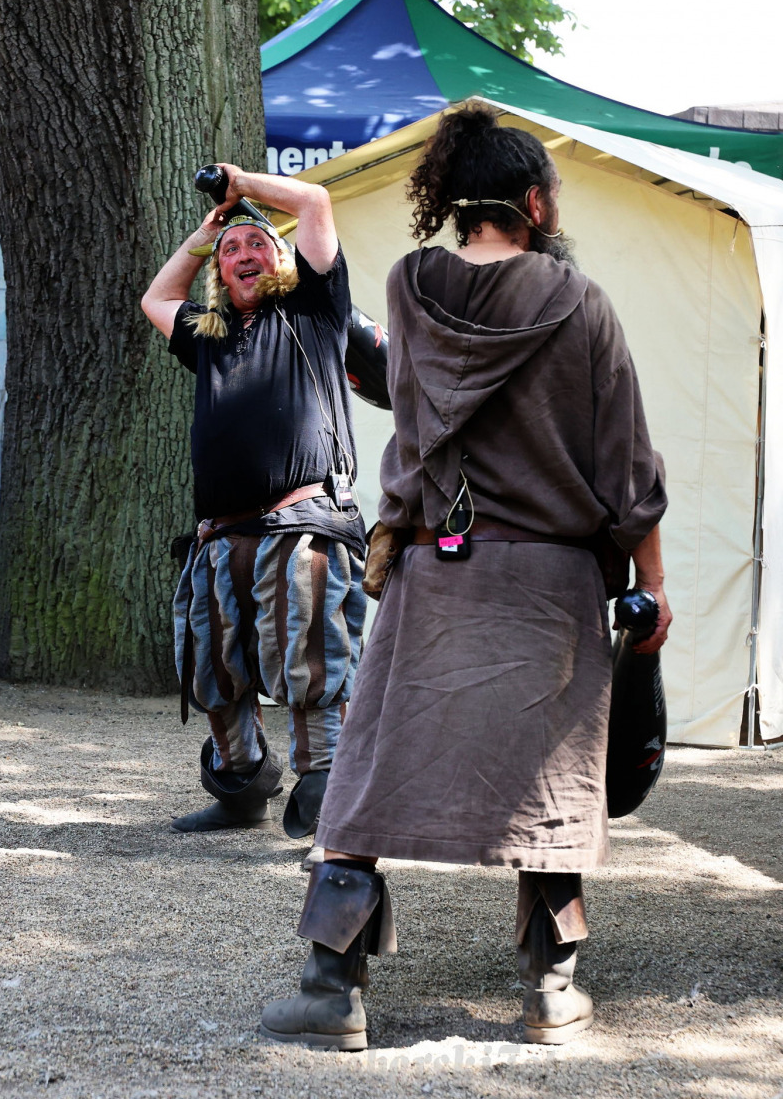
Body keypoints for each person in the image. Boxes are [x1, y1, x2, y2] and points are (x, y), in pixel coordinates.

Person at [258, 103, 672, 1049]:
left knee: (369, 771)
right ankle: (552, 992)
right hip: (554, 585)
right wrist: (652, 587)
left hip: (435, 574)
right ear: (536, 202)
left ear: (454, 200)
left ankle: (331, 987)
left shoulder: (410, 287)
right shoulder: (584, 302)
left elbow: (401, 388)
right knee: (553, 779)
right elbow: (629, 468)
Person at [140, 168, 366, 844]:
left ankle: (327, 798)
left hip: (301, 528)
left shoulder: (315, 311)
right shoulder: (207, 336)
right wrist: (207, 232)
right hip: (220, 538)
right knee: (214, 667)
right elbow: (157, 296)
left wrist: (239, 185)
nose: (243, 254)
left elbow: (315, 201)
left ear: (283, 260)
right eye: (231, 251)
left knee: (310, 662)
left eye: (257, 245)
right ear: (219, 269)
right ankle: (240, 788)